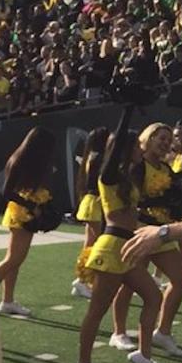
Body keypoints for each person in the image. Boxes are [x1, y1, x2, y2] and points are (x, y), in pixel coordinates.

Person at [74, 104, 161, 363]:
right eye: (135, 144)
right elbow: (113, 155)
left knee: (153, 297)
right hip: (111, 248)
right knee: (97, 310)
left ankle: (143, 356)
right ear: (123, 147)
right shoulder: (108, 175)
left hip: (126, 248)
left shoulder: (127, 176)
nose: (140, 147)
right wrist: (128, 110)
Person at [109, 123, 182, 357]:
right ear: (149, 138)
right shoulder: (138, 167)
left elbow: (175, 195)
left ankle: (163, 332)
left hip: (160, 231)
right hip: (139, 230)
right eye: (161, 138)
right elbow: (130, 198)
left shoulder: (166, 167)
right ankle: (119, 332)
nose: (165, 142)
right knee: (130, 284)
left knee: (181, 278)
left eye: (169, 139)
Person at [0, 128, 57, 316]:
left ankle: (7, 301)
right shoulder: (19, 160)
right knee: (13, 259)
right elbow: (6, 192)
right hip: (20, 213)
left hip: (26, 212)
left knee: (15, 260)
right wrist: (31, 204)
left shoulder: (32, 161)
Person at [72, 127, 110, 299]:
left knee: (90, 242)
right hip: (95, 202)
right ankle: (82, 280)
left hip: (90, 201)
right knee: (92, 244)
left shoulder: (91, 157)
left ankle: (83, 280)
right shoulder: (98, 158)